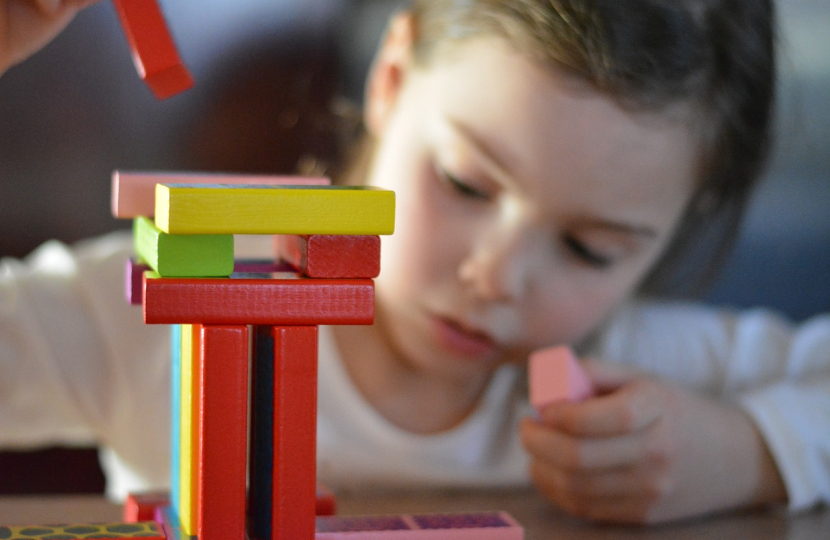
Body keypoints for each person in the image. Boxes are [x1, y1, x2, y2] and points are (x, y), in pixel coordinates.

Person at [1, 0, 828, 526]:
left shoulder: (635, 372)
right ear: (392, 79)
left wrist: (745, 449)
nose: (497, 276)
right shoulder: (162, 308)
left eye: (589, 248)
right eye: (465, 183)